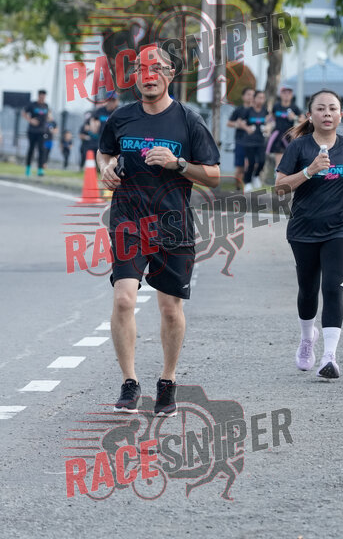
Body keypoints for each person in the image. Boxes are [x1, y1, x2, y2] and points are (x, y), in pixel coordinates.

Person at [97, 44, 220, 416]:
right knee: (124, 299)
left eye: (157, 68)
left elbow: (213, 176)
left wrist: (178, 163)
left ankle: (167, 381)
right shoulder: (121, 117)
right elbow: (105, 151)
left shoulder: (189, 121)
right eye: (142, 69)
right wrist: (106, 167)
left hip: (173, 224)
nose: (149, 76)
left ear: (171, 74)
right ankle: (129, 383)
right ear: (134, 75)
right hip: (128, 221)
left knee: (169, 309)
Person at [275, 89, 343, 379]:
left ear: (340, 115)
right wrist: (310, 170)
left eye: (332, 108)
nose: (327, 113)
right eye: (320, 108)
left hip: (341, 226)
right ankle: (307, 338)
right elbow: (279, 188)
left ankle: (329, 356)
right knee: (308, 290)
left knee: (332, 286)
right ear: (310, 115)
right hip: (304, 228)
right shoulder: (299, 147)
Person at [266, 83, 304, 168]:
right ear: (281, 94)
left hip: (290, 136)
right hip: (278, 135)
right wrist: (268, 124)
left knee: (290, 160)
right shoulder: (276, 106)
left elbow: (303, 120)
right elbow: (271, 118)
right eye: (284, 92)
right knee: (278, 161)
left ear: (291, 95)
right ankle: (277, 175)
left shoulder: (295, 107)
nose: (286, 95)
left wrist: (295, 117)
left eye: (289, 93)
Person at [227, 87, 255, 190]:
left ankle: (247, 184)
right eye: (248, 94)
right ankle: (238, 187)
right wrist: (238, 125)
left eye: (253, 95)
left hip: (254, 142)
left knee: (252, 164)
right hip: (240, 141)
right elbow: (229, 123)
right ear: (243, 97)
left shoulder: (257, 110)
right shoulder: (239, 110)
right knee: (240, 167)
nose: (251, 97)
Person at [242, 90, 269, 193]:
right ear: (254, 99)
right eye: (259, 97)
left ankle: (256, 175)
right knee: (251, 163)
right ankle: (247, 182)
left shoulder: (265, 111)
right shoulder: (248, 111)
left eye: (263, 98)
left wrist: (267, 128)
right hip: (249, 142)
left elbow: (269, 122)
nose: (261, 100)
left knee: (262, 161)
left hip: (260, 141)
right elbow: (241, 122)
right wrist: (247, 128)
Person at [23, 89, 50, 177]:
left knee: (42, 150)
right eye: (41, 96)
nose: (42, 98)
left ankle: (40, 169)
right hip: (32, 131)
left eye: (44, 97)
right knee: (31, 149)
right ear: (38, 96)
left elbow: (48, 116)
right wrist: (30, 120)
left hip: (42, 131)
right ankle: (28, 169)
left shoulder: (46, 105)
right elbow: (24, 113)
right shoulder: (32, 105)